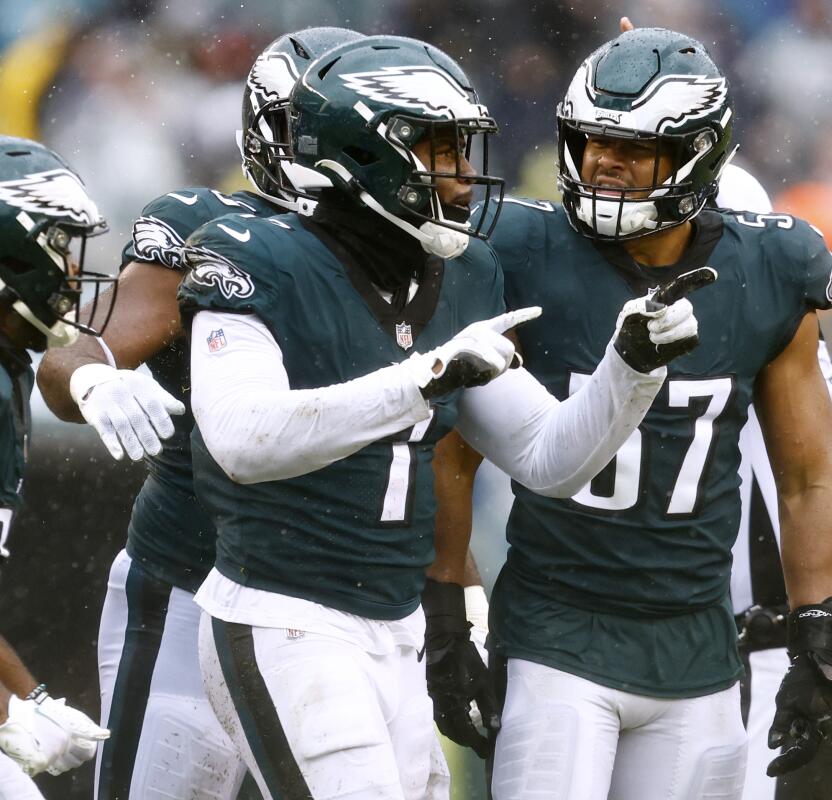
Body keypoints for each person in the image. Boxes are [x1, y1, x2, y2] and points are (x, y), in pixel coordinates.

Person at [180, 36, 704, 800]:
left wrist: (631, 370)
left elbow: (548, 456)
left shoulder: (459, 273)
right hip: (285, 614)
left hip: (396, 631)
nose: (463, 177)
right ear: (365, 155)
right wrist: (422, 379)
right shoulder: (257, 255)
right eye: (441, 152)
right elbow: (242, 439)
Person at [463, 27, 832, 800]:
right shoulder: (525, 252)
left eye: (630, 148)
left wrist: (820, 630)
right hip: (558, 628)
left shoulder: (769, 272)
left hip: (696, 646)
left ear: (699, 157)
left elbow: (808, 477)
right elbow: (451, 446)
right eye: (592, 142)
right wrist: (450, 603)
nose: (601, 164)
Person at [35, 27, 366, 800]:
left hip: (351, 601)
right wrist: (95, 382)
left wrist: (455, 594)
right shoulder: (207, 229)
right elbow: (73, 356)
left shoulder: (431, 259)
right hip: (195, 579)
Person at [717, 164, 832, 800]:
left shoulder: (761, 335)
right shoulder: (796, 326)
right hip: (801, 631)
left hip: (769, 638)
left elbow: (799, 484)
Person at [0, 135, 111, 797]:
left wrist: (27, 698)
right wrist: (14, 709)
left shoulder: (10, 366)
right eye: (57, 248)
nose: (73, 274)